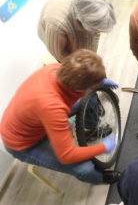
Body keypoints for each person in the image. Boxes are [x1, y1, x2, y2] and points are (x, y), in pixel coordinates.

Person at [0, 49, 120, 184]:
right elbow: (66, 156)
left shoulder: (59, 70)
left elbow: (80, 89)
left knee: (90, 99)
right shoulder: (52, 107)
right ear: (79, 88)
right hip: (24, 143)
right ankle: (100, 178)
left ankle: (91, 130)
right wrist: (103, 147)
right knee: (84, 168)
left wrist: (98, 81)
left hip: (36, 118)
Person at [38, 0, 116, 62]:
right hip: (54, 32)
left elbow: (95, 36)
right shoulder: (56, 24)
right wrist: (79, 66)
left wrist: (91, 56)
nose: (97, 32)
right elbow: (60, 54)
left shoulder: (90, 6)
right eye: (96, 30)